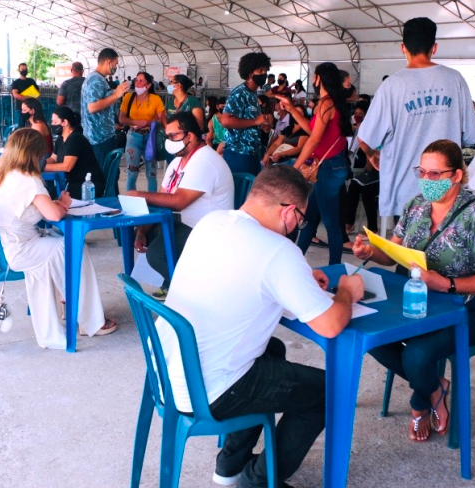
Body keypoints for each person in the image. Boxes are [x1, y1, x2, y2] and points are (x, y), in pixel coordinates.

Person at [155, 164, 364, 488]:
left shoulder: (213, 222)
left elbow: (237, 271)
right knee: (329, 392)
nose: (298, 226)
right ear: (289, 212)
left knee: (273, 349)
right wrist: (348, 293)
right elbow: (331, 325)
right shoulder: (279, 251)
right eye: (302, 219)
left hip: (167, 372)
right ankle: (258, 480)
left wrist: (300, 279)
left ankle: (230, 465)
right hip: (207, 389)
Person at [352, 139, 475, 442]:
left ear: (457, 175)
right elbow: (392, 253)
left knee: (418, 356)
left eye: (435, 174)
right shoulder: (415, 206)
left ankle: (419, 404)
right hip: (420, 301)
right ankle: (437, 388)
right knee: (368, 332)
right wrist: (371, 252)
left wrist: (445, 283)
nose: (427, 180)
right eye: (422, 172)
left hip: (471, 308)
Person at [0, 129, 116, 349]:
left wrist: (52, 204)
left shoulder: (1, 175)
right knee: (73, 248)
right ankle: (90, 320)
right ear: (34, 154)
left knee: (58, 245)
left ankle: (71, 302)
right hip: (17, 251)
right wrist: (63, 203)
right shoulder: (27, 179)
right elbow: (53, 215)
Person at [357, 17, 475, 220]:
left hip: (405, 190)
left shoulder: (392, 85)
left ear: (403, 48)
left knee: (407, 250)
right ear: (435, 47)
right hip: (445, 188)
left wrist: (372, 154)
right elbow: (471, 135)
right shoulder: (455, 79)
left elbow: (365, 138)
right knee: (444, 248)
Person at [127, 112, 234, 298]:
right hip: (182, 222)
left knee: (157, 254)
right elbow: (162, 198)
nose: (169, 141)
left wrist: (139, 195)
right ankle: (173, 283)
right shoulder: (178, 161)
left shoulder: (204, 161)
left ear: (190, 136)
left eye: (173, 136)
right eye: (167, 136)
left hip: (207, 228)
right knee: (137, 233)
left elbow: (178, 202)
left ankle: (191, 294)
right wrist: (142, 231)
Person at [275, 62, 353, 265]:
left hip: (327, 167)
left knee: (330, 224)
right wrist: (292, 109)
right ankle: (295, 260)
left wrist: (295, 167)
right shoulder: (330, 102)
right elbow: (312, 131)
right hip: (330, 166)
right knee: (309, 218)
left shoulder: (326, 103)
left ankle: (334, 270)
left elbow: (314, 139)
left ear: (319, 78)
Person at [81, 48, 131, 187]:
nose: (116, 67)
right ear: (109, 62)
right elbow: (93, 107)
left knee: (110, 176)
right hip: (98, 139)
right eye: (115, 64)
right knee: (107, 178)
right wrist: (116, 95)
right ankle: (108, 204)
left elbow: (102, 103)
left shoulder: (99, 80)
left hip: (103, 135)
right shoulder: (95, 80)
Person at [220, 52, 273, 175]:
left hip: (252, 152)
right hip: (239, 153)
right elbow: (226, 121)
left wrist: (260, 125)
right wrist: (255, 121)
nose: (264, 74)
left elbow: (247, 120)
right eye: (260, 70)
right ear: (250, 73)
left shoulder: (253, 94)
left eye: (265, 70)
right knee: (243, 191)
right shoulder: (239, 93)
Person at [119, 71, 167, 193]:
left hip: (150, 137)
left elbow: (162, 117)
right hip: (133, 137)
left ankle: (153, 202)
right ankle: (130, 200)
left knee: (151, 172)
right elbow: (121, 118)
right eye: (136, 80)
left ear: (148, 85)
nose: (137, 83)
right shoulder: (128, 98)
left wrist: (150, 122)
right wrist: (136, 121)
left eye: (141, 81)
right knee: (132, 172)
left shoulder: (155, 99)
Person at [44, 107, 105, 199]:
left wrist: (41, 166)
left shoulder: (75, 139)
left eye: (55, 122)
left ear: (65, 122)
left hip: (86, 186)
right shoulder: (60, 139)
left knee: (49, 198)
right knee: (46, 194)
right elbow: (53, 159)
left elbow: (67, 166)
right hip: (72, 184)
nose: (52, 125)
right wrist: (38, 163)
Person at [343, 100, 379, 237]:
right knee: (354, 184)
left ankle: (373, 228)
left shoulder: (379, 131)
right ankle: (349, 223)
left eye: (361, 115)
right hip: (375, 170)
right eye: (356, 114)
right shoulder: (365, 130)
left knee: (367, 189)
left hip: (387, 174)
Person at [10, 63, 39, 128]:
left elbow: (38, 93)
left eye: (25, 69)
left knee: (33, 126)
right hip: (20, 109)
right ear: (19, 70)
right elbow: (15, 95)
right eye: (22, 69)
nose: (24, 70)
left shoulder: (31, 81)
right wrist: (29, 98)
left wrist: (34, 98)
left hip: (32, 109)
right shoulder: (16, 82)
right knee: (21, 127)